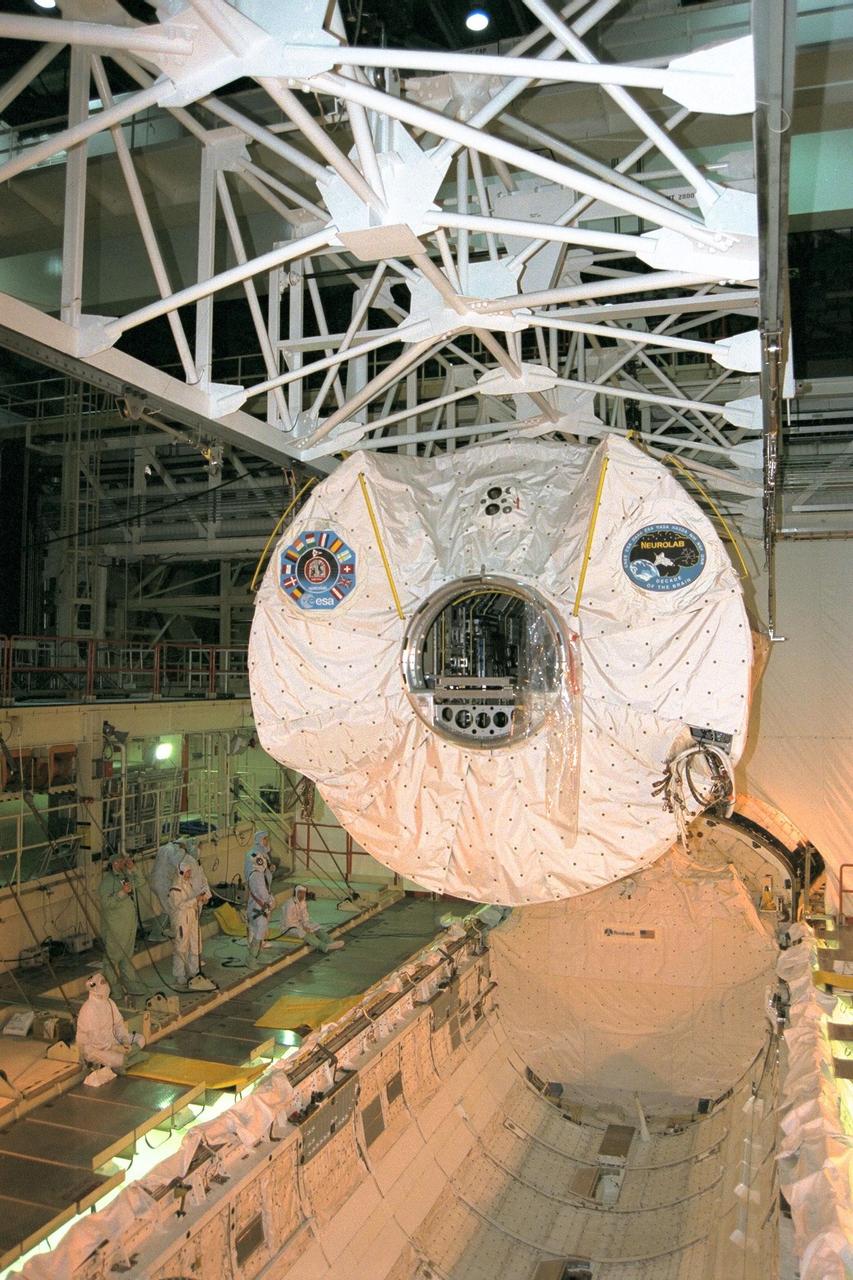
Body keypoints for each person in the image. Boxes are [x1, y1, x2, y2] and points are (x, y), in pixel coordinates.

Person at [76, 971, 146, 1072]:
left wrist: (124, 1040)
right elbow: (96, 1040)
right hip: (94, 1048)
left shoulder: (109, 1002)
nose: (107, 985)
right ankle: (127, 1059)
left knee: (141, 1039)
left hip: (113, 1041)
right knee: (119, 1060)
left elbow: (118, 1023)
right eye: (103, 983)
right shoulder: (90, 1009)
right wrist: (115, 1048)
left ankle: (128, 1058)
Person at [99, 851, 145, 997]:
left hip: (129, 925)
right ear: (114, 864)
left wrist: (133, 868)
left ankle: (130, 983)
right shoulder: (107, 882)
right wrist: (121, 893)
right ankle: (113, 987)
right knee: (112, 957)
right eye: (122, 861)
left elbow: (141, 881)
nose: (124, 864)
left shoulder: (126, 876)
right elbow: (106, 903)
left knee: (126, 955)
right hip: (116, 927)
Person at [168, 856, 216, 991]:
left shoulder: (188, 884)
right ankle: (179, 974)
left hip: (193, 918)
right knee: (181, 948)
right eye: (188, 872)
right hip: (182, 920)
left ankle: (194, 972)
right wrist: (196, 899)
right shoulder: (175, 889)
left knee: (195, 944)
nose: (190, 874)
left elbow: (193, 899)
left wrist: (202, 899)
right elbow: (180, 905)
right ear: (181, 872)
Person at [151, 837, 210, 936]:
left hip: (155, 881)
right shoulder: (178, 853)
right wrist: (183, 850)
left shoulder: (164, 848)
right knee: (172, 908)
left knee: (168, 907)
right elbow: (178, 865)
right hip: (162, 883)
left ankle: (162, 932)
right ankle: (171, 933)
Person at [280, 885, 344, 953]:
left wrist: (306, 925)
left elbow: (305, 917)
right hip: (288, 928)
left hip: (300, 925)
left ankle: (330, 942)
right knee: (303, 932)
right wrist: (303, 928)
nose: (302, 894)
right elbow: (288, 923)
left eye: (303, 892)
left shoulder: (303, 903)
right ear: (296, 893)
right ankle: (323, 946)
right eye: (300, 892)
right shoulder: (290, 904)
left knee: (315, 926)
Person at [246, 850, 275, 968]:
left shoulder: (255, 874)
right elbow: (263, 893)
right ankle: (251, 958)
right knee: (259, 931)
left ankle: (257, 955)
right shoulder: (257, 876)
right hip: (258, 908)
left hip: (255, 908)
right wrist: (271, 900)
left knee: (257, 930)